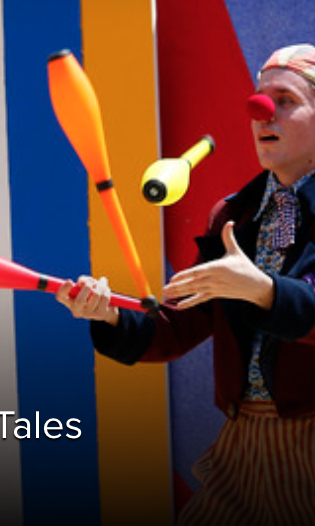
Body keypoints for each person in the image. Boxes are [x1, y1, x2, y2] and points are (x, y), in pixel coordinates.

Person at [56, 43, 315, 526]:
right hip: (243, 445)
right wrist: (110, 315)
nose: (263, 112)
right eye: (260, 98)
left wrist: (262, 290)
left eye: (285, 99)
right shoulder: (234, 216)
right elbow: (178, 328)